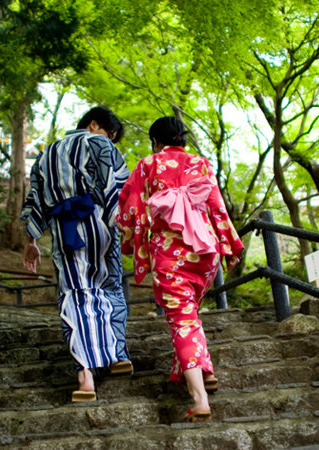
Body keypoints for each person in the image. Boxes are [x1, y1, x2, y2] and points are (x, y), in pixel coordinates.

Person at [116, 116, 244, 422]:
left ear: (156, 141)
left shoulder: (148, 165)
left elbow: (130, 206)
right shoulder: (200, 163)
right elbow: (216, 205)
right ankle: (204, 370)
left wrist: (131, 241)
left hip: (171, 253)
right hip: (204, 250)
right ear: (181, 139)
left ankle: (200, 400)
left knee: (182, 318)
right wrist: (230, 245)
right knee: (189, 314)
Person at [21, 106, 133, 403]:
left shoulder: (46, 154)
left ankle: (85, 376)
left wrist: (32, 238)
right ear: (94, 124)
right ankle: (116, 353)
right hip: (99, 221)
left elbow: (35, 196)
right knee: (108, 286)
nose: (110, 140)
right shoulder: (98, 143)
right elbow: (117, 186)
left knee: (74, 292)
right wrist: (125, 226)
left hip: (64, 228)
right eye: (110, 133)